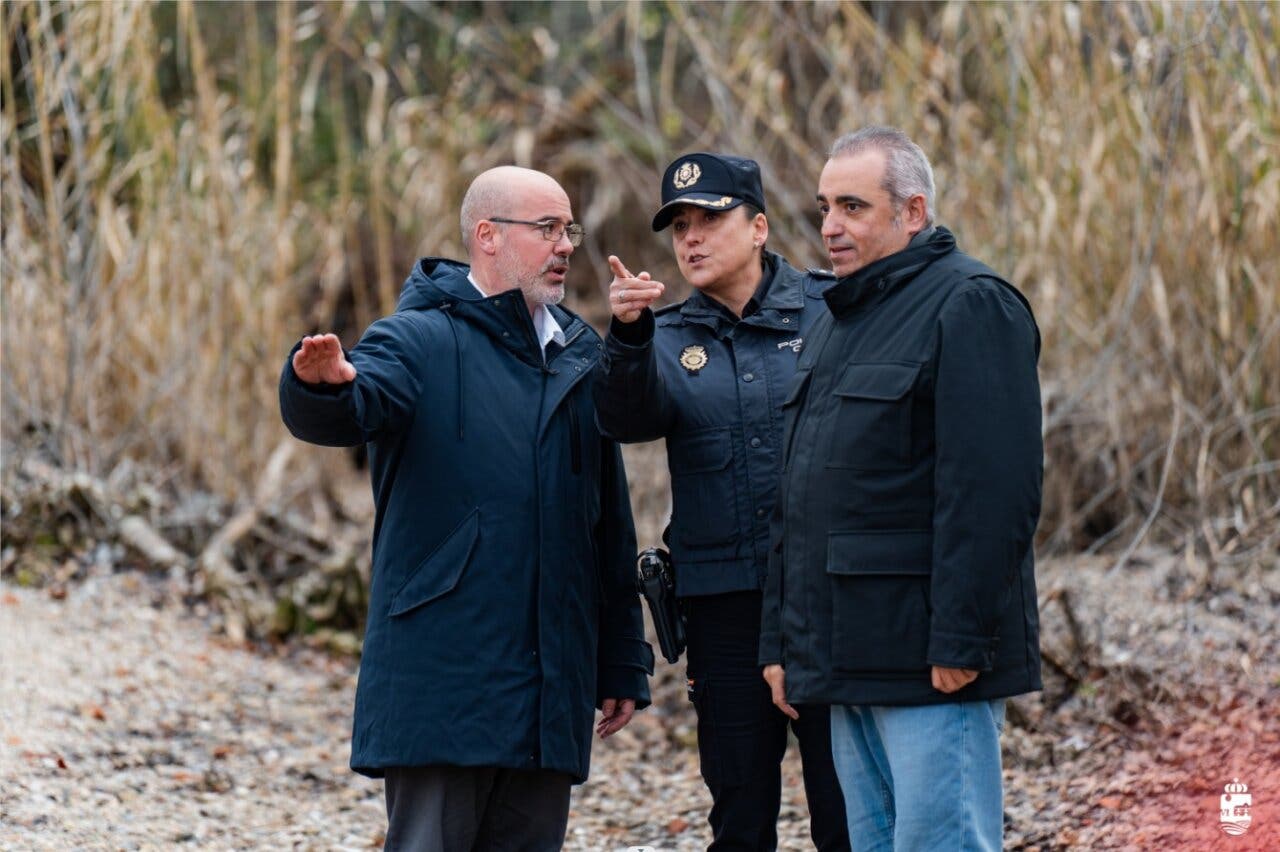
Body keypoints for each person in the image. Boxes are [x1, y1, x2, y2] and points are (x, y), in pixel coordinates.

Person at [278, 166, 653, 851]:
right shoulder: (416, 340)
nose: (566, 244)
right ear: (487, 236)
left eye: (568, 228)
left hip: (549, 694)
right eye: (546, 229)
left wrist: (623, 657)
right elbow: (352, 405)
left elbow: (607, 522)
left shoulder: (579, 353)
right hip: (444, 685)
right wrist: (320, 386)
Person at [760, 126, 1044, 851]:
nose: (830, 226)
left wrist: (962, 639)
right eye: (824, 207)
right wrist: (783, 642)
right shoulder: (835, 319)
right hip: (846, 656)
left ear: (912, 212)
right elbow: (798, 500)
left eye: (852, 207)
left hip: (929, 663)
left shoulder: (972, 306)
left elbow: (991, 495)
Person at [595, 152, 849, 851]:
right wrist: (627, 336)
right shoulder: (666, 336)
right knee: (739, 811)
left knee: (846, 809)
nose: (690, 239)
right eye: (678, 226)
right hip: (723, 608)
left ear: (760, 225)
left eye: (709, 218)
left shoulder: (833, 309)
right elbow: (622, 421)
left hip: (827, 597)